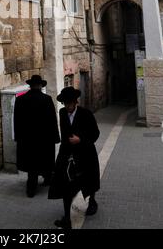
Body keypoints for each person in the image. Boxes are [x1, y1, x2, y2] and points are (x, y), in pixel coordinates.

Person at [48, 87, 100, 230]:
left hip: (86, 154)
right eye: (65, 103)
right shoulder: (62, 113)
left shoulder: (86, 114)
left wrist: (81, 140)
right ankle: (67, 218)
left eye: (69, 103)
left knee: (89, 182)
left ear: (75, 102)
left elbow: (95, 134)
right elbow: (65, 134)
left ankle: (92, 201)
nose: (67, 106)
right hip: (67, 155)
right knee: (65, 186)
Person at [14, 75, 60, 198]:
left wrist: (18, 137)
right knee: (45, 161)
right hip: (44, 139)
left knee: (31, 165)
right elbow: (52, 120)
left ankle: (31, 189)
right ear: (40, 86)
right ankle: (47, 180)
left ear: (30, 85)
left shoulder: (20, 99)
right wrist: (56, 137)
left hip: (27, 140)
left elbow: (17, 121)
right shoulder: (47, 99)